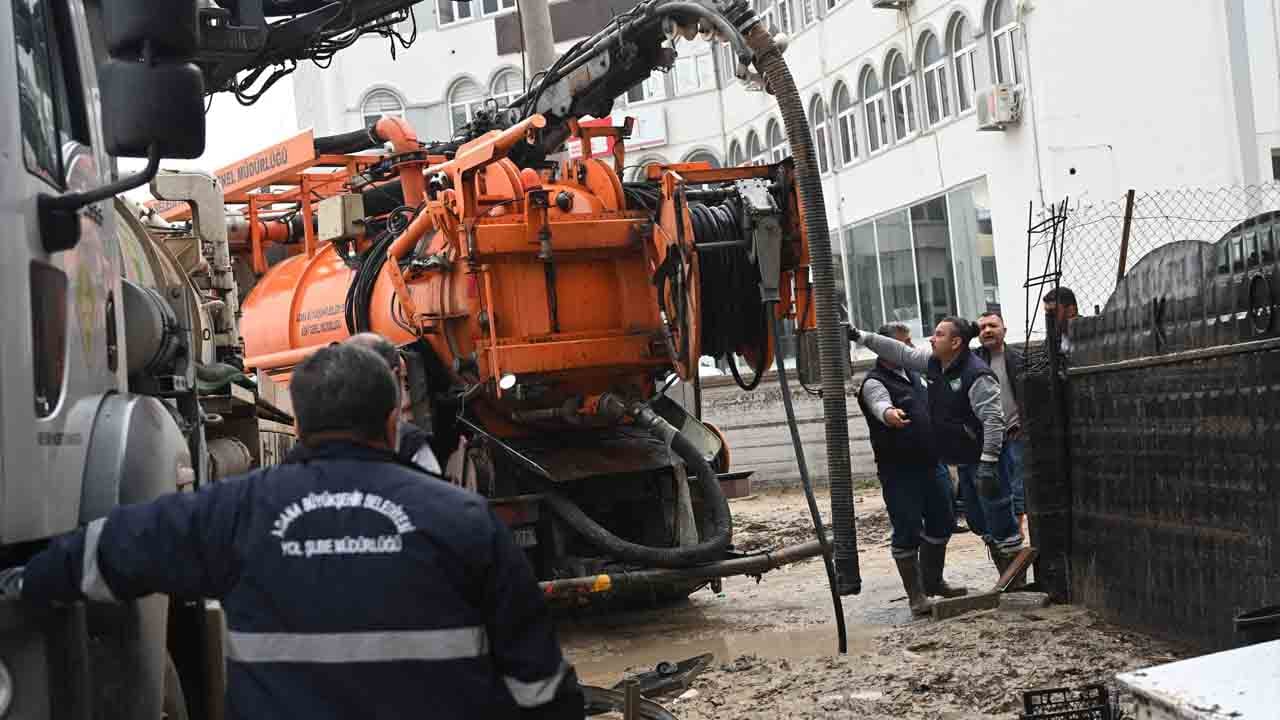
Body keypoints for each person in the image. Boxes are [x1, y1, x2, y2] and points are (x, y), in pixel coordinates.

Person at [1, 344, 584, 720]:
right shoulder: (463, 521)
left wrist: (24, 584)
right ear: (391, 420)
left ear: (299, 423)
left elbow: (116, 550)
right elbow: (538, 682)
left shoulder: (235, 511)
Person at [849, 317, 1025, 581]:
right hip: (965, 459)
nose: (931, 339)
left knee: (1000, 520)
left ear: (955, 343)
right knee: (979, 522)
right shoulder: (935, 364)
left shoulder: (976, 375)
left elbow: (993, 422)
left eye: (939, 335)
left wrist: (988, 464)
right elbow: (900, 352)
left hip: (988, 459)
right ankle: (1006, 579)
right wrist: (861, 335)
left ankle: (1015, 584)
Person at [855, 322, 968, 616]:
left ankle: (934, 581)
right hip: (899, 470)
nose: (909, 348)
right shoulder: (874, 382)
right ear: (885, 347)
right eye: (902, 343)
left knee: (943, 521)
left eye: (909, 342)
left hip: (933, 463)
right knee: (907, 530)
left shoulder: (918, 373)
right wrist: (888, 414)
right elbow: (879, 404)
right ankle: (916, 596)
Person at [345, 332, 443, 475]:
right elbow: (435, 492)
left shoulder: (321, 445)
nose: (406, 403)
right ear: (393, 377)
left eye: (407, 382)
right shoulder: (408, 442)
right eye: (403, 380)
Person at [974, 311, 1028, 539]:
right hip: (987, 440)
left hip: (1015, 435)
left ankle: (1016, 535)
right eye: (982, 327)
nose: (987, 330)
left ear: (1004, 330)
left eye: (992, 326)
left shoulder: (1020, 358)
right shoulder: (973, 361)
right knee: (994, 492)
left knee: (1018, 491)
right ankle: (1003, 538)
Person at [1042, 286, 1078, 358]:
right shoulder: (1051, 339)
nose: (1049, 318)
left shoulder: (1087, 332)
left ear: (1070, 310)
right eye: (1047, 313)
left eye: (1053, 311)